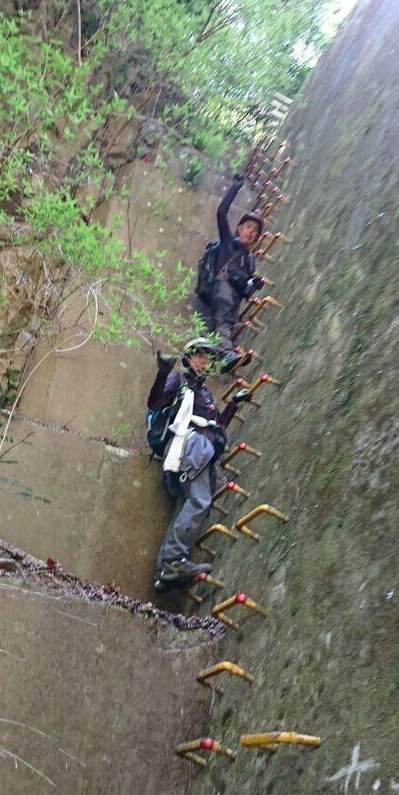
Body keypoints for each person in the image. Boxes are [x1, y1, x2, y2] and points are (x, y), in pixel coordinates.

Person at [149, 339, 249, 589]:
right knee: (199, 500)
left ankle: (165, 571)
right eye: (200, 355)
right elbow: (156, 403)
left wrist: (233, 405)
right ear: (189, 358)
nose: (205, 360)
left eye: (208, 357)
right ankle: (173, 560)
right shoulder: (180, 381)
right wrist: (162, 374)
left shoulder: (203, 392)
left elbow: (215, 426)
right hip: (189, 449)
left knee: (187, 504)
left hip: (199, 451)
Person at [195, 174, 265, 373]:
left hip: (234, 298)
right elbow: (221, 213)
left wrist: (254, 284)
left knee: (226, 323)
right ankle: (225, 353)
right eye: (248, 227)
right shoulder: (228, 244)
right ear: (239, 228)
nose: (251, 232)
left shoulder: (250, 260)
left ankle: (215, 356)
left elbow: (245, 290)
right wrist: (236, 187)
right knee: (224, 321)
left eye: (255, 231)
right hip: (221, 289)